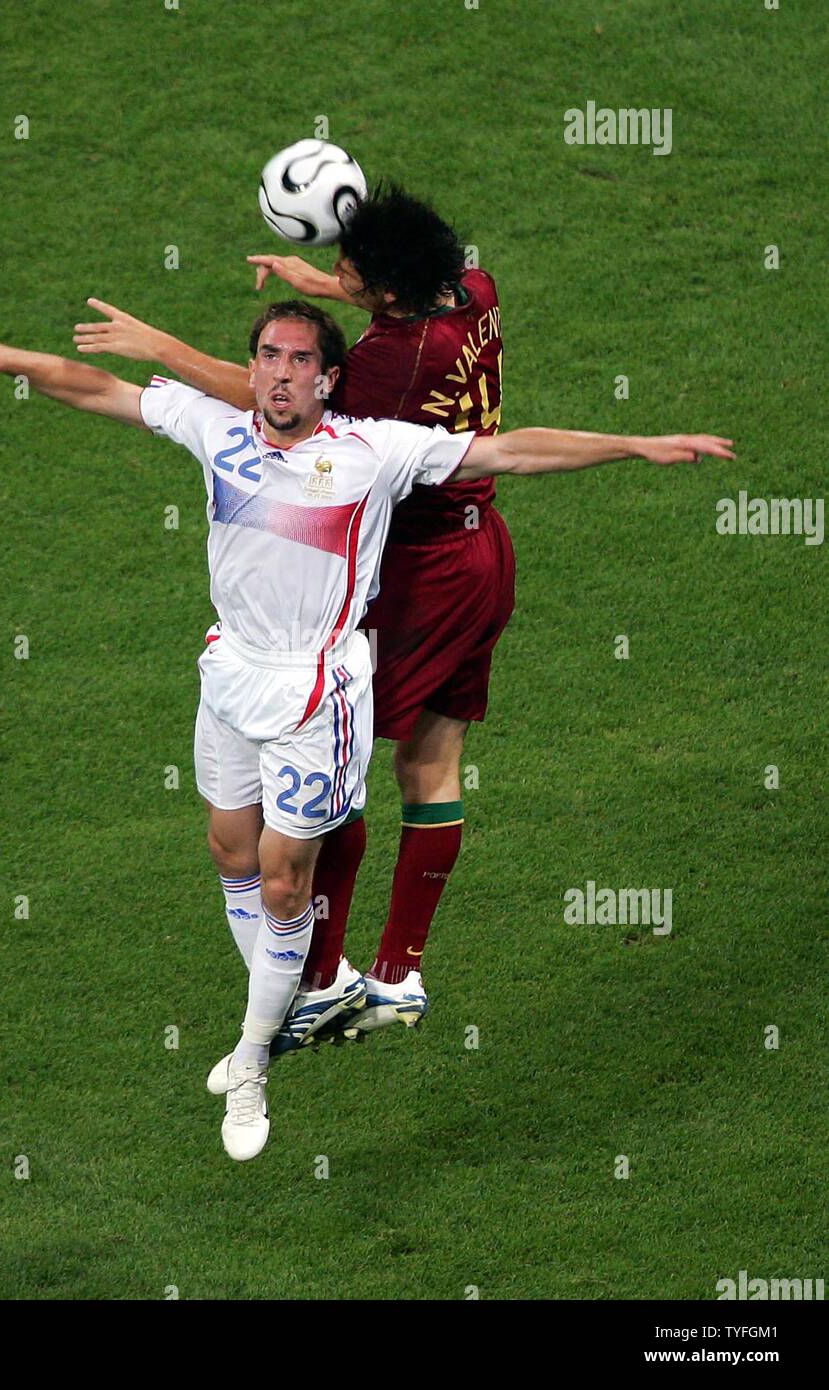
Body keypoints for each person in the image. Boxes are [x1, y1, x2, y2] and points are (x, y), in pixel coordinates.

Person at [0, 302, 733, 1160]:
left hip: (317, 695)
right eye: (268, 356)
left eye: (300, 360)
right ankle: (304, 996)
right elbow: (96, 388)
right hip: (229, 675)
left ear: (326, 381)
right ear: (252, 367)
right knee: (230, 852)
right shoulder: (214, 429)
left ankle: (254, 1060)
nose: (280, 373)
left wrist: (637, 444)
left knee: (284, 886)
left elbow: (511, 449)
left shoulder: (372, 451)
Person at [71, 185, 513, 1046]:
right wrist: (320, 277)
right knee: (431, 762)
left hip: (414, 576)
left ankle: (318, 977)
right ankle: (400, 972)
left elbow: (266, 397)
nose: (338, 274)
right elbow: (391, 290)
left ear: (383, 296)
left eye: (350, 271)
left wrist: (153, 344)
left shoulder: (387, 366)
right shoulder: (474, 290)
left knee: (332, 766)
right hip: (482, 553)